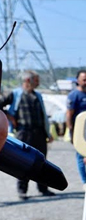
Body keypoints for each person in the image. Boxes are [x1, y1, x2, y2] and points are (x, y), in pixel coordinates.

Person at [0, 70, 54, 200]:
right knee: (23, 161)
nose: (38, 82)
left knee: (42, 161)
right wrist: (9, 116)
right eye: (36, 80)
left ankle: (43, 188)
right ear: (28, 81)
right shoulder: (16, 94)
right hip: (24, 132)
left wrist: (48, 132)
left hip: (39, 133)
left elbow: (43, 116)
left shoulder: (38, 95)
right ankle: (22, 190)